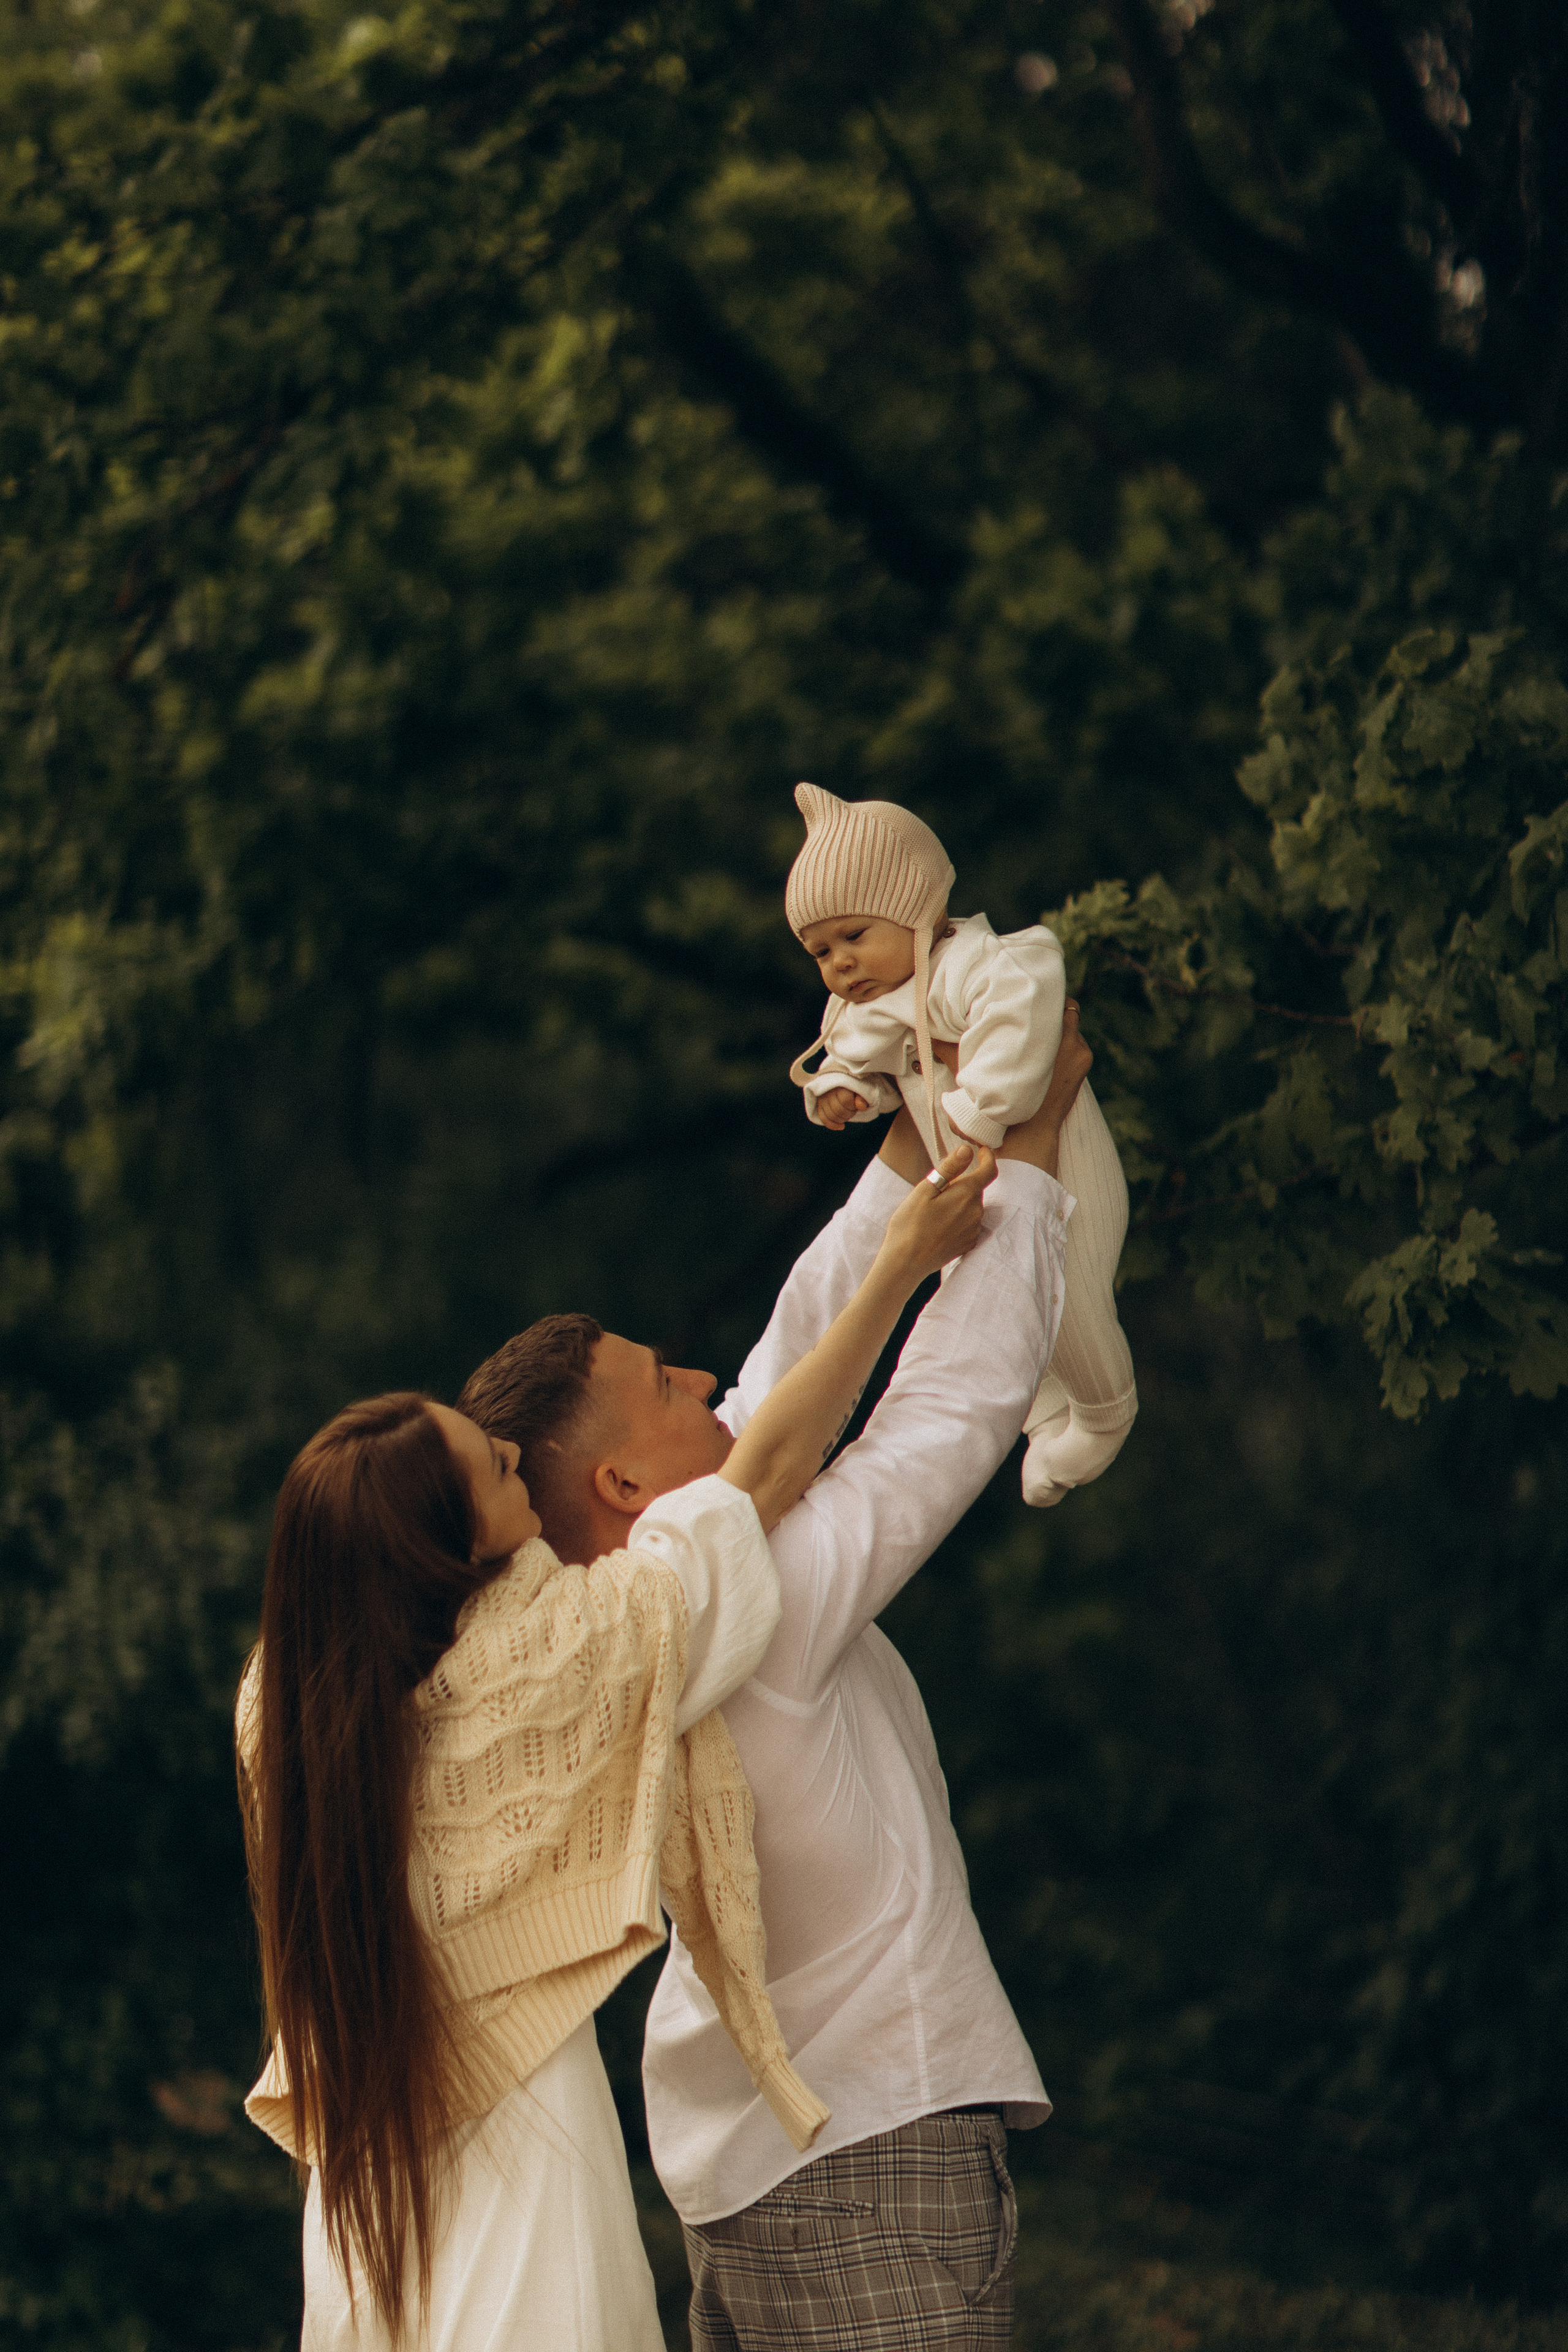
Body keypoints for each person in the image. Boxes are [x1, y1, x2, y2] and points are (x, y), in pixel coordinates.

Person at [235, 1145, 992, 2352]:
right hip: (514, 2131)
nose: (513, 1477)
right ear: (449, 1545)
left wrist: (896, 1167)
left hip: (363, 2171)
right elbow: (768, 1464)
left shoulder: (288, 1700)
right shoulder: (562, 1652)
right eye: (492, 1475)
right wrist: (901, 1261)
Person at [458, 1007, 1093, 2350]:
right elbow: (949, 1409)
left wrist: (927, 1123)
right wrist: (1028, 1159)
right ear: (628, 1486)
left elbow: (786, 1357)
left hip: (728, 2172)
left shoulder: (611, 1615)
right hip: (869, 2140)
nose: (701, 1375)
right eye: (660, 1384)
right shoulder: (762, 1604)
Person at [786, 781, 1136, 1507]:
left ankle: (1106, 1414)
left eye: (854, 935)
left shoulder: (983, 965)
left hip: (1063, 1163)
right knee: (973, 1299)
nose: (840, 964)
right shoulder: (865, 1005)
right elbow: (863, 1063)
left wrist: (977, 1109)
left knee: (1063, 1291)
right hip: (975, 1180)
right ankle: (1041, 1419)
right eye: (819, 951)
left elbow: (1019, 1028)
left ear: (917, 907)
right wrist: (844, 1093)